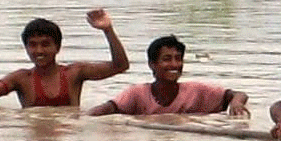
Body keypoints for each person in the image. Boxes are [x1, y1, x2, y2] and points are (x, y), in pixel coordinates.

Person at [0, 9, 129, 113]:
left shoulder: (75, 73)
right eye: (32, 45)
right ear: (26, 48)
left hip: (68, 139)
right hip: (34, 140)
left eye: (45, 44)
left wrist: (108, 30)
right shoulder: (21, 79)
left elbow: (121, 66)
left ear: (57, 47)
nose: (39, 51)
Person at [87, 35, 249, 117]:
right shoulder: (137, 94)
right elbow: (108, 108)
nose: (174, 65)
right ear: (152, 64)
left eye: (178, 59)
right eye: (167, 59)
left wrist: (236, 103)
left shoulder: (196, 91)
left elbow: (237, 94)